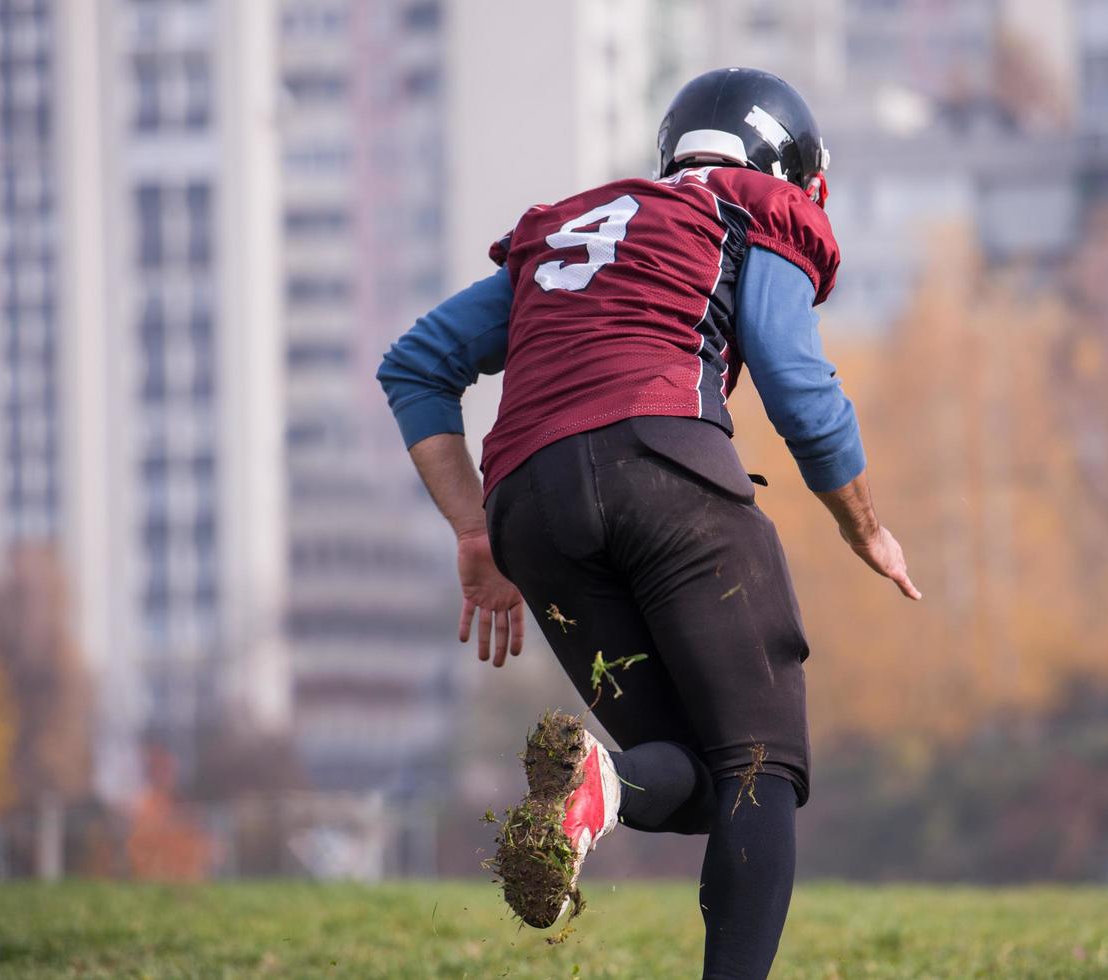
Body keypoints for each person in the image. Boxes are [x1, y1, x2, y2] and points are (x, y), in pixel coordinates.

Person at [378, 67, 919, 979]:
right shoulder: (755, 207)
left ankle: (602, 787)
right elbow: (796, 384)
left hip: (531, 508)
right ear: (791, 168)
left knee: (704, 777)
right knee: (763, 770)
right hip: (666, 469)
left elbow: (416, 365)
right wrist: (860, 523)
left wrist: (477, 533)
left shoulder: (566, 230)